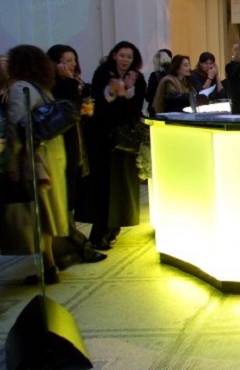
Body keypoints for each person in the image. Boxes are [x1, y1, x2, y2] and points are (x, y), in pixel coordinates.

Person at [5, 45, 71, 284]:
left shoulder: (19, 89)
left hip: (35, 158)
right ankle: (50, 264)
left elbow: (16, 128)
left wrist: (12, 164)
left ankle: (48, 267)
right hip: (53, 153)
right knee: (47, 211)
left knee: (38, 212)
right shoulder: (42, 88)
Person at [77, 41, 146, 250]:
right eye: (122, 55)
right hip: (101, 137)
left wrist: (125, 92)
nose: (125, 60)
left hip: (124, 138)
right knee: (103, 185)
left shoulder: (138, 78)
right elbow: (101, 103)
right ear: (114, 55)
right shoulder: (102, 74)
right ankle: (99, 233)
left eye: (129, 57)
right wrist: (121, 91)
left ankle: (113, 228)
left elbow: (135, 107)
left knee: (122, 185)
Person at [46, 44, 107, 265]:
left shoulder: (76, 84)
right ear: (55, 63)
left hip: (78, 144)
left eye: (74, 59)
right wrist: (73, 86)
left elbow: (85, 114)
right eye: (67, 60)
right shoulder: (55, 86)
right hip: (61, 148)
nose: (72, 64)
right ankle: (76, 248)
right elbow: (69, 113)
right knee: (62, 201)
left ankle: (69, 248)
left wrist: (85, 97)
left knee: (70, 200)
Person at [145, 49, 172, 117]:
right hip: (170, 109)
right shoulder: (173, 75)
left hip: (157, 110)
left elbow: (149, 96)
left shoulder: (154, 75)